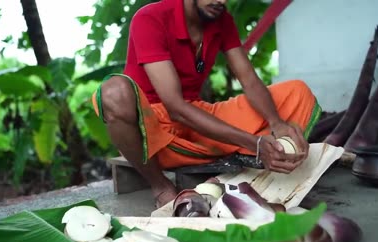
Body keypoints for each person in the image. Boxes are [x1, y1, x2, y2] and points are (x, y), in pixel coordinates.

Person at [91, 0, 322, 208]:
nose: (221, 1)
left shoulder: (221, 20)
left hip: (195, 118)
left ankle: (236, 169)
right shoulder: (150, 18)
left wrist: (276, 122)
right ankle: (160, 186)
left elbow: (249, 80)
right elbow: (175, 107)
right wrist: (255, 143)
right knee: (115, 92)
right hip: (150, 131)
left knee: (296, 92)